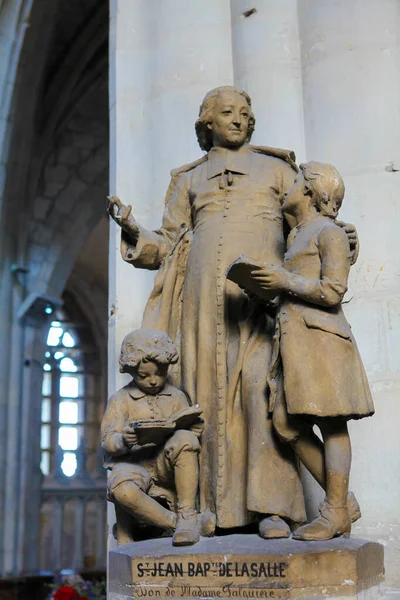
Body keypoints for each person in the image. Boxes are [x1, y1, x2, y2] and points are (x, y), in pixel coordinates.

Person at [107, 86, 358, 538]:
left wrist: (341, 239)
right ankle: (205, 509)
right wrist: (131, 230)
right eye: (227, 113)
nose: (239, 120)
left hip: (262, 303)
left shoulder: (278, 169)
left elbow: (311, 226)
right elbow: (166, 245)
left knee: (263, 400)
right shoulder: (188, 179)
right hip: (203, 306)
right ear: (207, 123)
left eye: (245, 112)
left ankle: (272, 510)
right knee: (204, 398)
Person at [251, 162, 374, 540]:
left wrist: (284, 280)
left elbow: (333, 290)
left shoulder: (328, 231)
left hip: (324, 341)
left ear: (309, 190)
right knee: (286, 424)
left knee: (332, 421)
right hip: (297, 343)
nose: (286, 190)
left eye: (294, 182)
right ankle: (341, 503)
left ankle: (334, 510)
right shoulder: (297, 235)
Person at [101, 329, 204, 546]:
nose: (153, 381)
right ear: (131, 371)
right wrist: (123, 440)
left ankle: (187, 514)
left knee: (186, 439)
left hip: (164, 464)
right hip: (133, 465)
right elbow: (108, 440)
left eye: (160, 374)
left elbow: (184, 424)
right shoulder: (121, 399)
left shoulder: (176, 396)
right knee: (122, 489)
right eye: (144, 376)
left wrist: (192, 429)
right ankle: (175, 523)